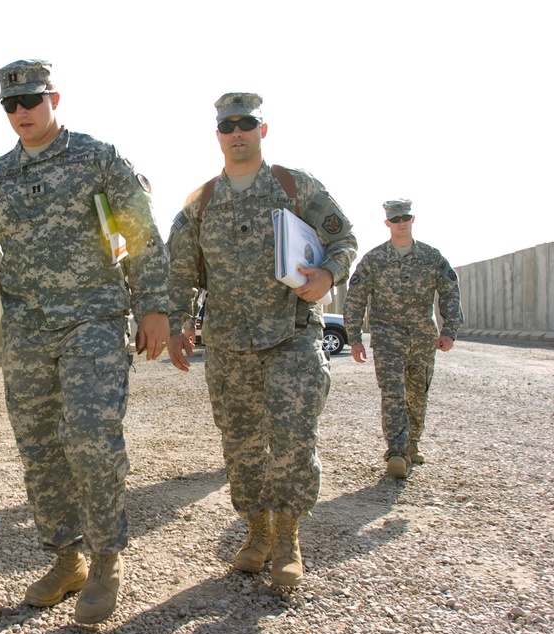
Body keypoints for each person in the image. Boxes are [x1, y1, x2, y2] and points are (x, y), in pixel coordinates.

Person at [0, 60, 170, 624]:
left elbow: (139, 231)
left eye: (32, 101)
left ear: (55, 99)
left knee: (93, 440)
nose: (22, 113)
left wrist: (154, 306)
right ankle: (66, 556)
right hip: (27, 331)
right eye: (11, 105)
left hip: (93, 319)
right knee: (41, 448)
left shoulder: (98, 158)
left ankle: (106, 560)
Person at [165, 93, 357, 587]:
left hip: (291, 335)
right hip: (229, 343)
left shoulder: (296, 187)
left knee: (293, 438)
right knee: (242, 444)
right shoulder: (201, 201)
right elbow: (180, 270)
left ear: (262, 130)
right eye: (227, 126)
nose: (237, 133)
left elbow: (343, 238)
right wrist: (177, 325)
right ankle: (256, 531)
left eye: (246, 124)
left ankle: (288, 534)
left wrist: (328, 274)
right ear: (218, 136)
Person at [343, 199, 463, 479]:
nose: (401, 222)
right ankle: (396, 452)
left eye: (405, 217)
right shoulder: (373, 260)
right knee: (392, 394)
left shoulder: (431, 257)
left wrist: (450, 329)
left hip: (423, 336)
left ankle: (413, 443)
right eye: (395, 219)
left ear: (412, 219)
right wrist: (355, 337)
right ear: (387, 223)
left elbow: (450, 290)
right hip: (387, 337)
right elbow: (356, 298)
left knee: (417, 393)